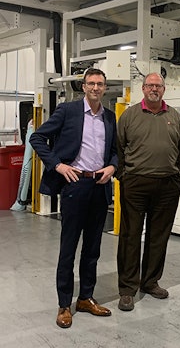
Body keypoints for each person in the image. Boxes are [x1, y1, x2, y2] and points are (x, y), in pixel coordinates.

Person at [29, 68, 118, 328]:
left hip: (99, 186)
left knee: (92, 249)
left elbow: (115, 152)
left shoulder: (110, 117)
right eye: (91, 83)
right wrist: (58, 165)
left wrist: (112, 168)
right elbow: (37, 137)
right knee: (68, 249)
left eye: (100, 84)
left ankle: (86, 298)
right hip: (75, 185)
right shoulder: (68, 111)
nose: (95, 88)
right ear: (83, 86)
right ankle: (64, 304)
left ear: (104, 87)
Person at [116, 72, 180, 312]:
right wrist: (124, 176)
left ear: (164, 90)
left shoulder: (174, 117)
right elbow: (118, 148)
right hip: (135, 184)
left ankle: (150, 282)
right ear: (143, 89)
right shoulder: (130, 116)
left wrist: (179, 176)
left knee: (159, 236)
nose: (154, 89)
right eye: (149, 85)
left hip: (167, 185)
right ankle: (127, 289)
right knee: (130, 236)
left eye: (158, 86)